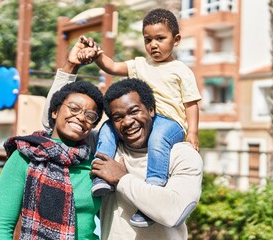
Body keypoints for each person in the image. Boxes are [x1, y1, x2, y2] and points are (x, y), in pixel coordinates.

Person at [42, 42, 203, 239]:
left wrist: (121, 179)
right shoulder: (106, 147)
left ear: (151, 110)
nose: (128, 122)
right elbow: (54, 124)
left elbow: (174, 212)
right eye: (118, 117)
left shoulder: (182, 154)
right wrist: (70, 67)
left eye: (134, 111)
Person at [78, 8, 202, 227]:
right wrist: (97, 54)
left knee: (157, 140)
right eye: (148, 40)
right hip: (147, 119)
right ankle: (101, 173)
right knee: (107, 128)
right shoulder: (140, 65)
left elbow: (191, 103)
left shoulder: (180, 70)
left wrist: (192, 133)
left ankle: (154, 187)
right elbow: (113, 67)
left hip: (169, 123)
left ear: (176, 40)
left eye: (160, 38)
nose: (153, 44)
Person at [0, 36, 104, 240]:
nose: (80, 117)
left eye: (90, 116)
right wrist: (71, 65)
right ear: (54, 112)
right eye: (74, 108)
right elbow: (2, 228)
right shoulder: (25, 157)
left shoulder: (95, 162)